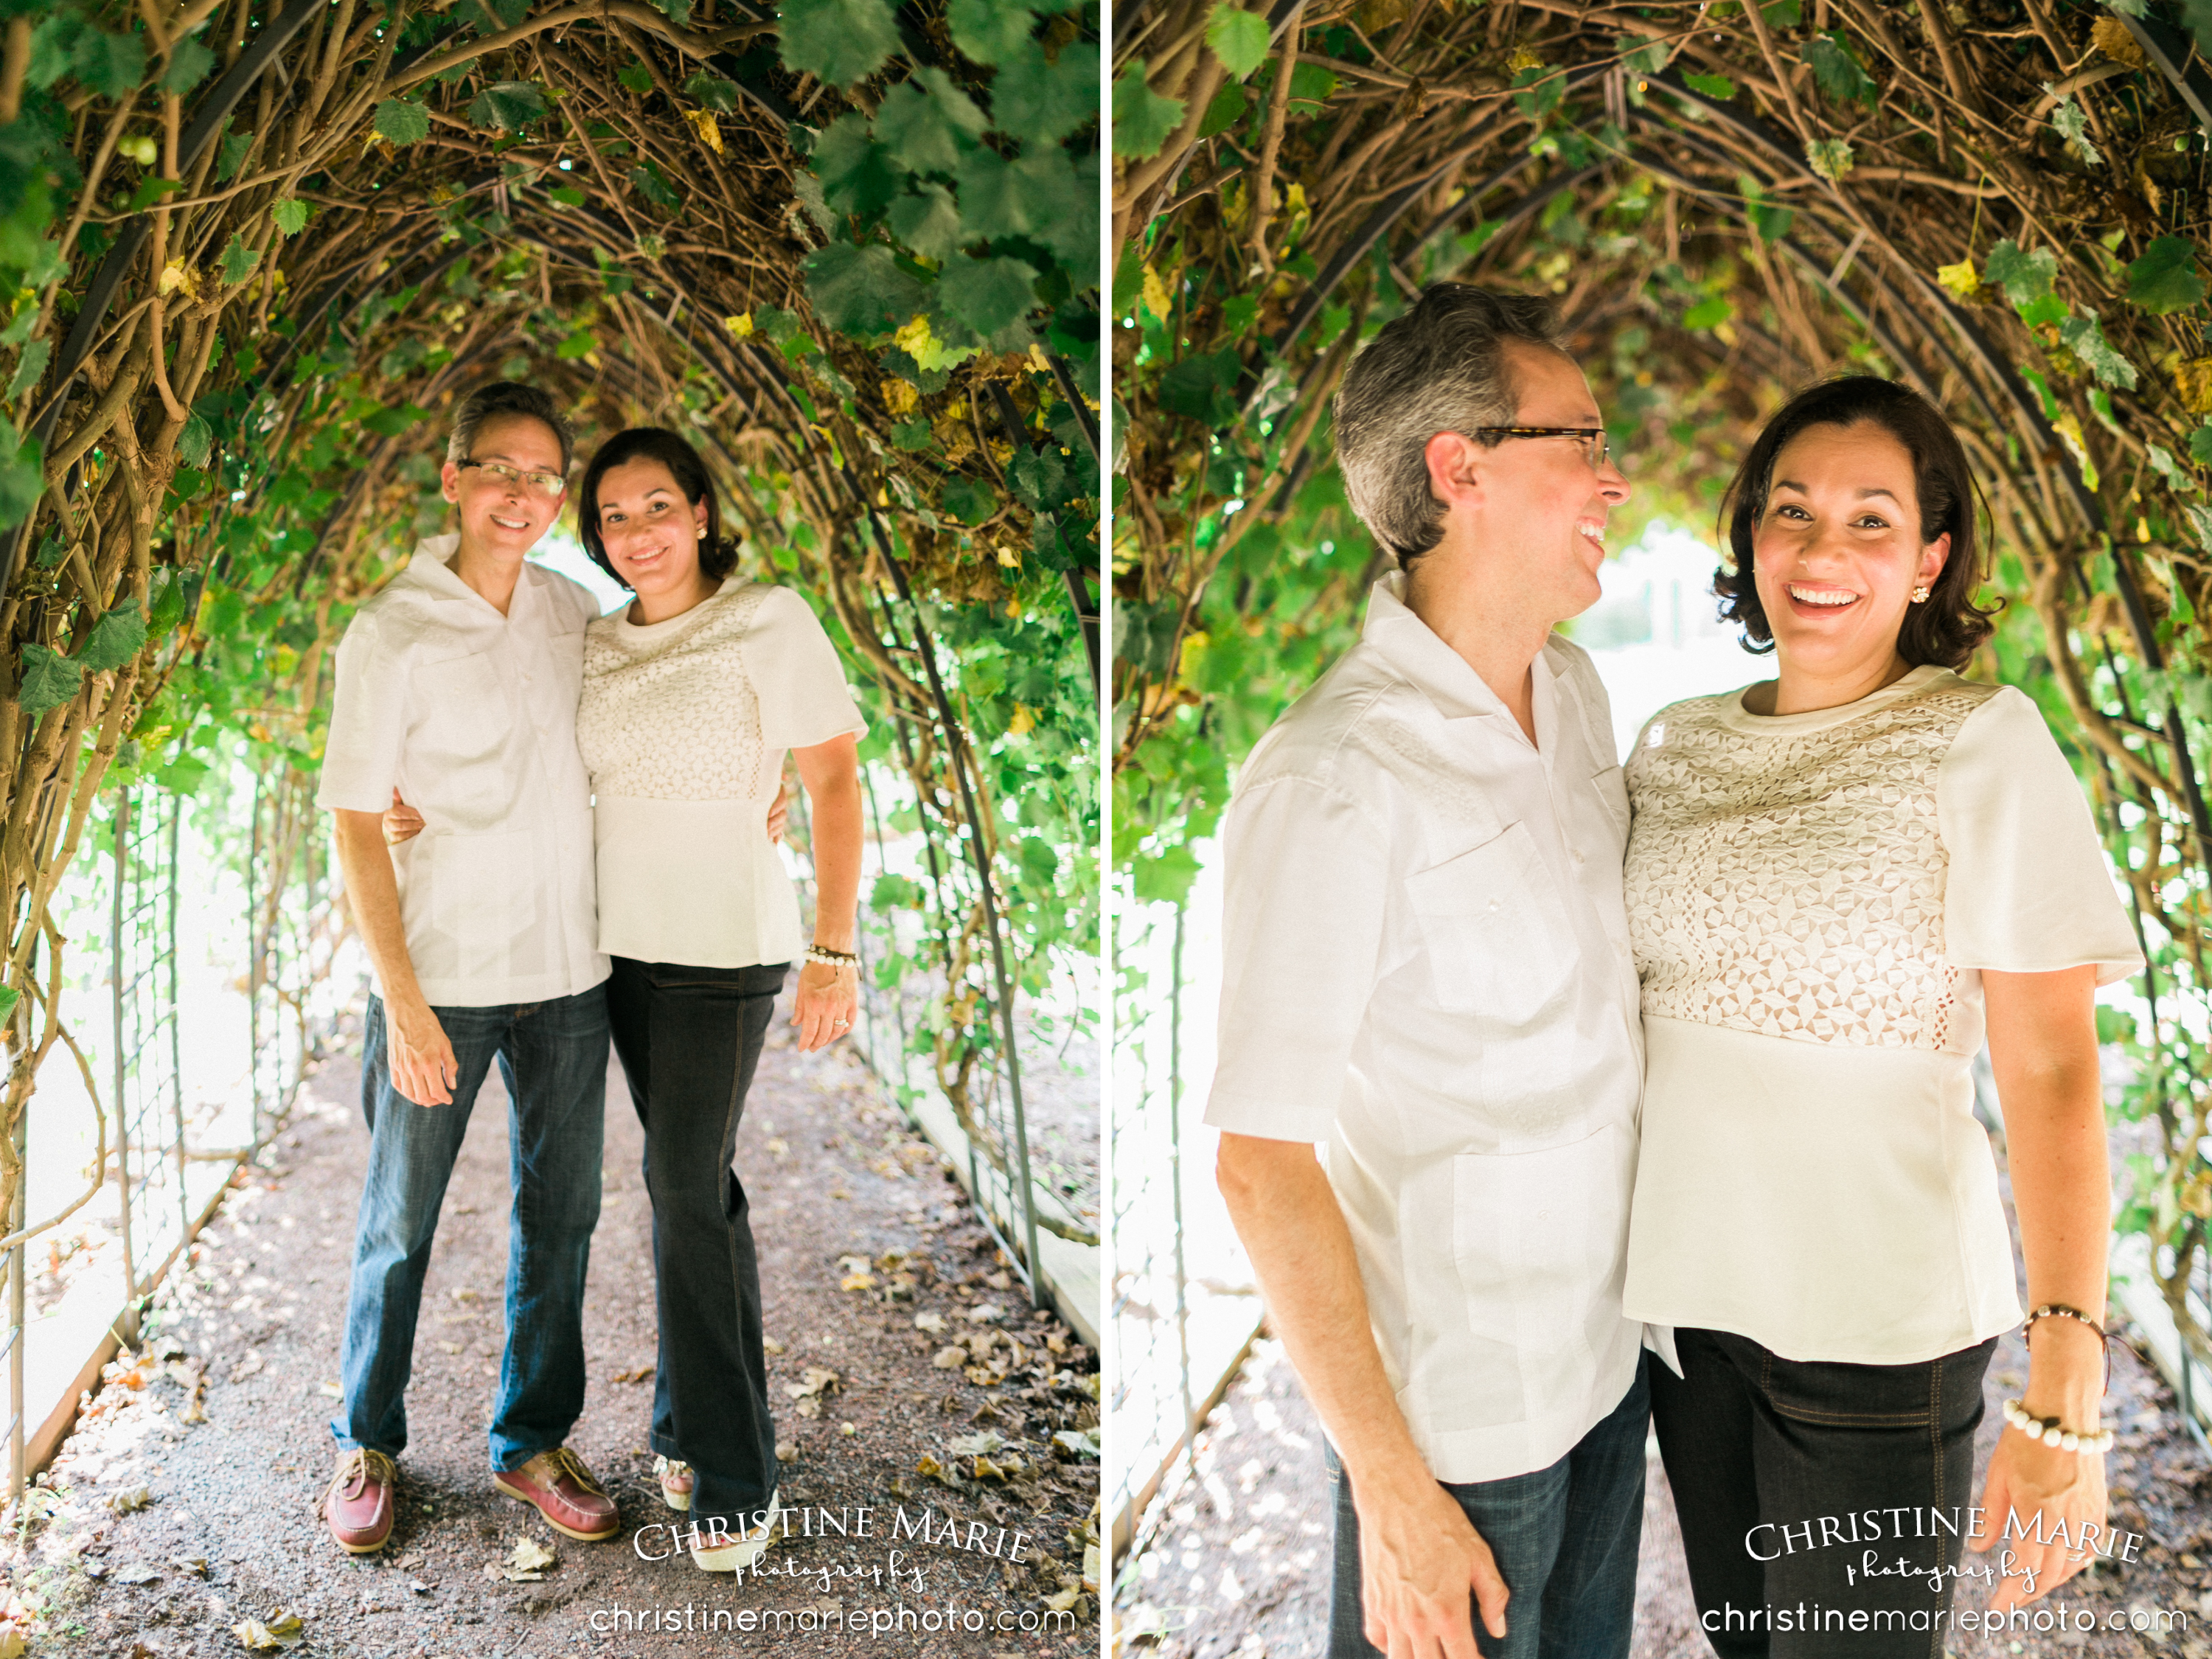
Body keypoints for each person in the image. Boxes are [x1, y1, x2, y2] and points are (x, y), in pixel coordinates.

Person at [1620, 377, 2141, 1653]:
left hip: (1877, 1337)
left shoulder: (1980, 740)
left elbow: (2055, 1074)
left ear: (1931, 557)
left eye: (1871, 520)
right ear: (1748, 531)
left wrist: (2065, 1387)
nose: (1821, 550)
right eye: (1792, 509)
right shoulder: (1671, 745)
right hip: (1689, 1320)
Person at [1207, 284, 1651, 1659]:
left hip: (1614, 1363)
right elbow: (1259, 1159)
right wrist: (1394, 1492)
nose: (1614, 476)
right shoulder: (1334, 776)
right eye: (1579, 438)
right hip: (1466, 1424)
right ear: (1459, 465)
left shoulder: (1573, 691)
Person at [316, 382, 622, 1554]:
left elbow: (647, 720)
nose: (524, 494)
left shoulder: (569, 609)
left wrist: (762, 792)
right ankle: (366, 1439)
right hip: (439, 975)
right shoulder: (390, 627)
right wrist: (403, 1002)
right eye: (500, 469)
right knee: (402, 1219)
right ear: (452, 480)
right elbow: (354, 822)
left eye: (547, 477)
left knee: (567, 1211)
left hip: (568, 973)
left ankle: (530, 1441)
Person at [570, 426, 865, 1571]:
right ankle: (684, 1418)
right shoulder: (595, 644)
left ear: (700, 510)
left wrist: (835, 949)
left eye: (656, 505)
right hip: (616, 948)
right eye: (612, 517)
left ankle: (737, 1471)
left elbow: (832, 779)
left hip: (721, 948)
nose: (637, 533)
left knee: (678, 1181)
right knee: (700, 1185)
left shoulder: (768, 618)